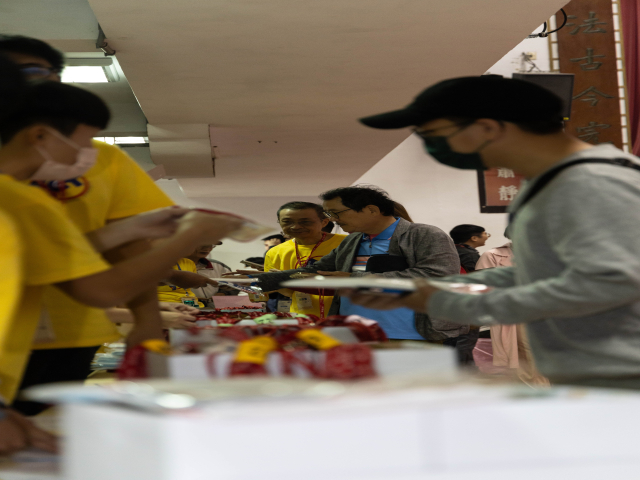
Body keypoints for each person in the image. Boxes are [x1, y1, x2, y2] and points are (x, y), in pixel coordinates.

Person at [351, 74, 640, 388]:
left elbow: (609, 283)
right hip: (594, 371)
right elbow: (542, 272)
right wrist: (440, 288)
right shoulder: (548, 182)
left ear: (487, 128)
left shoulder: (590, 183)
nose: (430, 145)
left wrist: (447, 304)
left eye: (432, 134)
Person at [0, 80, 242, 415]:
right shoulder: (24, 202)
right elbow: (100, 289)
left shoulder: (22, 198)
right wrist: (190, 237)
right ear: (39, 135)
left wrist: (127, 230)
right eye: (83, 143)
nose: (87, 157)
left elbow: (44, 260)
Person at [0, 35, 192, 398]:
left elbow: (121, 253)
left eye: (42, 73)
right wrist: (188, 238)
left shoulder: (100, 160)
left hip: (71, 327)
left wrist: (147, 319)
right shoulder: (20, 195)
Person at [253, 186, 463, 341]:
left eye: (336, 213)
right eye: (329, 214)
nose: (333, 220)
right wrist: (256, 281)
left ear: (371, 210)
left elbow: (437, 276)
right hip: (355, 333)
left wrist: (354, 279)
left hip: (411, 334)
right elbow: (316, 270)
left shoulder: (423, 234)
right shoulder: (354, 240)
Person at [263, 202, 347, 317]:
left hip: (348, 315)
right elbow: (281, 289)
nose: (295, 226)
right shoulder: (274, 252)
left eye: (305, 222)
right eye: (287, 221)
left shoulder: (347, 243)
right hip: (302, 317)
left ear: (324, 222)